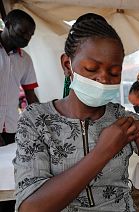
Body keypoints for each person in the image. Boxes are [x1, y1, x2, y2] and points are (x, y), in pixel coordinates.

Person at [13, 13, 139, 212]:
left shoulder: (130, 125)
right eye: (91, 68)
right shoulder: (36, 120)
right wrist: (103, 151)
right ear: (67, 65)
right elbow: (31, 208)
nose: (103, 79)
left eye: (114, 73)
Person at [0, 9, 38, 212]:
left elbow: (31, 95)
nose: (26, 38)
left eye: (30, 35)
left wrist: (43, 120)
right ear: (7, 24)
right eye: (22, 32)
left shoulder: (25, 59)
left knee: (10, 179)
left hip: (11, 127)